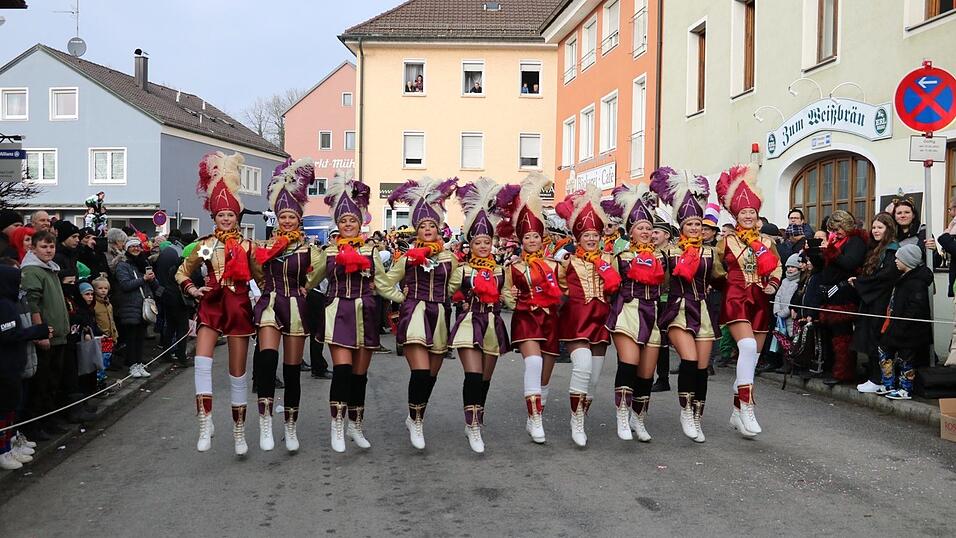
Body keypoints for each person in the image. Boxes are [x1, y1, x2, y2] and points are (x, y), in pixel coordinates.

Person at [175, 152, 263, 455]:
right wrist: (192, 288)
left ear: (237, 217)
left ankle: (239, 432)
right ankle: (205, 420)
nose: (226, 219)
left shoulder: (249, 245)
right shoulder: (204, 245)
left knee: (237, 373)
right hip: (212, 303)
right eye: (221, 215)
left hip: (238, 305)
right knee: (201, 361)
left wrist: (268, 303)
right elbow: (182, 271)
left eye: (231, 215)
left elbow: (262, 279)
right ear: (213, 218)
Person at [313, 170, 398, 452]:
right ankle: (337, 426)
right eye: (344, 220)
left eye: (353, 220)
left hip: (366, 315)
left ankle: (355, 425)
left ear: (360, 224)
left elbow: (385, 286)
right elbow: (307, 281)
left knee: (360, 375)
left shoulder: (372, 252)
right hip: (338, 314)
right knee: (342, 370)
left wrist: (406, 298)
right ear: (338, 224)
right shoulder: (328, 253)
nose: (348, 224)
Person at [251, 158, 323, 453]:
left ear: (299, 219)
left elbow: (320, 271)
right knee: (267, 359)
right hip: (270, 302)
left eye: (292, 218)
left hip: (294, 304)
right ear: (277, 220)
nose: (288, 222)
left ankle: (291, 427)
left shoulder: (309, 248)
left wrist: (305, 288)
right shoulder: (265, 246)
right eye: (283, 218)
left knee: (292, 370)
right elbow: (256, 270)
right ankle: (266, 421)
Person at [384, 177, 459, 449]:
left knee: (431, 376)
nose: (428, 229)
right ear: (417, 230)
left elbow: (454, 284)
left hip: (438, 316)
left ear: (439, 229)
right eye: (423, 226)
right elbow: (385, 281)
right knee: (420, 371)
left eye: (432, 225)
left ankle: (414, 415)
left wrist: (444, 297)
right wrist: (401, 298)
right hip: (414, 313)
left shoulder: (450, 258)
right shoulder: (407, 257)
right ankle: (417, 423)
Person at [652, 167, 721, 443]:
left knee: (702, 368)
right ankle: (684, 411)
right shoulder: (668, 252)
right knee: (689, 360)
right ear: (681, 227)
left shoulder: (711, 252)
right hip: (679, 308)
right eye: (690, 224)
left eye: (698, 224)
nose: (695, 228)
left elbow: (721, 277)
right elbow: (659, 281)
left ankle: (696, 414)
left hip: (703, 309)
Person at [448, 178, 516, 453]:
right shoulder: (462, 270)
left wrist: (520, 297)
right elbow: (447, 290)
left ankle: (477, 416)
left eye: (488, 241)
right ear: (470, 245)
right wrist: (459, 299)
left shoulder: (501, 270)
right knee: (473, 376)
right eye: (479, 242)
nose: (484, 246)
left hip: (492, 324)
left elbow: (508, 296)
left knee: (485, 380)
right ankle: (473, 425)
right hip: (468, 323)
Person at [714, 164, 782, 438]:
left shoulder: (766, 241)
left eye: (752, 212)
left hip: (759, 300)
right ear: (736, 215)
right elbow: (716, 271)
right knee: (746, 346)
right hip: (737, 298)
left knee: (751, 359)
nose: (748, 216)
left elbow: (776, 266)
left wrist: (773, 285)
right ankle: (748, 407)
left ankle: (736, 412)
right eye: (743, 212)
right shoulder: (726, 242)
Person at [554, 185, 622, 447]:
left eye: (595, 234)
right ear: (577, 237)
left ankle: (581, 414)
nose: (591, 239)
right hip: (577, 318)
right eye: (586, 235)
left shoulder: (609, 258)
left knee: (593, 379)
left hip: (601, 320)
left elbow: (618, 286)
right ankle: (576, 421)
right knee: (581, 367)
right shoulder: (566, 260)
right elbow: (555, 287)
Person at [603, 183, 665, 441]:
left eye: (650, 229)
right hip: (627, 312)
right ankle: (621, 415)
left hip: (652, 314)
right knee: (628, 364)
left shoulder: (661, 258)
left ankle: (638, 419)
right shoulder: (622, 258)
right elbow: (609, 287)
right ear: (631, 232)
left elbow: (670, 286)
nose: (646, 232)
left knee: (646, 374)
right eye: (641, 228)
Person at [21, 230, 71, 440]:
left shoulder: (50, 269)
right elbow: (32, 304)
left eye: (51, 247)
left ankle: (49, 419)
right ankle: (35, 425)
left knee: (52, 382)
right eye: (43, 246)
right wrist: (40, 333)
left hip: (59, 335)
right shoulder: (32, 271)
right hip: (46, 336)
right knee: (41, 385)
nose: (49, 251)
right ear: (33, 248)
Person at [0, 259, 50, 469]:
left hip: (16, 362)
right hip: (5, 365)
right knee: (5, 408)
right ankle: (3, 451)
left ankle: (12, 442)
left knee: (13, 406)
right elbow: (7, 334)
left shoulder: (12, 301)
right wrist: (36, 332)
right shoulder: (4, 305)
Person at [814, 210, 866, 386]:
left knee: (843, 335)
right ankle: (831, 368)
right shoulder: (836, 240)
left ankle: (844, 373)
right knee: (831, 334)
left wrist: (830, 251)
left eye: (837, 229)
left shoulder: (856, 241)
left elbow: (850, 263)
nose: (835, 233)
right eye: (832, 230)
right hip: (830, 294)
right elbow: (825, 267)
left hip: (844, 294)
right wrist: (814, 253)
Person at [849, 213, 900, 394]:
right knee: (869, 339)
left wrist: (860, 283)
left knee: (877, 340)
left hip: (881, 301)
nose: (876, 231)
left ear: (889, 229)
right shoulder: (877, 248)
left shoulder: (892, 250)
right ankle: (873, 377)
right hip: (872, 300)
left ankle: (878, 379)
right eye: (874, 227)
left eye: (880, 227)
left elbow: (885, 277)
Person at [879, 243, 933, 400]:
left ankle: (905, 388)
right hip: (897, 326)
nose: (895, 260)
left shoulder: (916, 282)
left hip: (909, 330)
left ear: (908, 261)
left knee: (906, 359)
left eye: (899, 258)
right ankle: (888, 383)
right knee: (884, 350)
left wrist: (902, 325)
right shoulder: (902, 278)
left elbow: (915, 308)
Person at [114, 238, 158, 378]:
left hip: (143, 306)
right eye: (132, 246)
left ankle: (139, 364)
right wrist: (143, 279)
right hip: (130, 306)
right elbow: (125, 285)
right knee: (131, 338)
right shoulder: (123, 265)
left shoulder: (143, 263)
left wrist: (152, 279)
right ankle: (132, 366)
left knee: (140, 338)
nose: (136, 249)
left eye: (138, 246)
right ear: (126, 248)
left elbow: (154, 286)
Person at [650, 216, 674, 393]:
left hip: (667, 300)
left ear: (666, 235)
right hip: (651, 299)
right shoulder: (649, 252)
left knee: (662, 340)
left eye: (656, 232)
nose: (652, 235)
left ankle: (663, 378)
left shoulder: (673, 252)